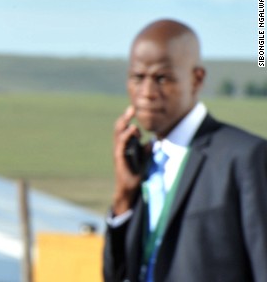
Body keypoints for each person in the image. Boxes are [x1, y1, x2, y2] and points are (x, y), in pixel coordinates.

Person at [102, 19, 267, 282]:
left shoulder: (245, 158)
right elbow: (116, 276)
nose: (147, 93)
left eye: (162, 78)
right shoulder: (144, 164)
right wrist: (123, 198)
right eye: (138, 78)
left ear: (196, 79)